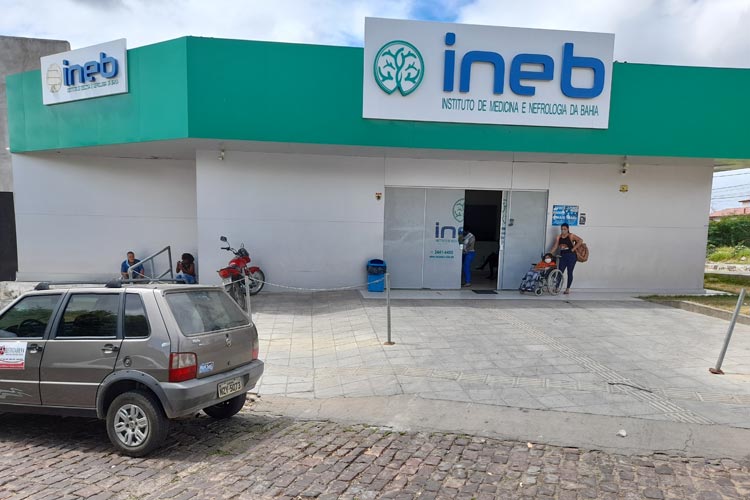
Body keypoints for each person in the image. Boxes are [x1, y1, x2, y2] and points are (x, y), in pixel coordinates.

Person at [549, 223, 583, 294]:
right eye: (562, 229)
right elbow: (555, 246)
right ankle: (557, 288)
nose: (563, 230)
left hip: (571, 256)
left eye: (564, 229)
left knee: (569, 272)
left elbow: (580, 240)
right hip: (562, 256)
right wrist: (549, 254)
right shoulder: (559, 237)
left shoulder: (571, 235)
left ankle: (567, 289)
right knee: (560, 272)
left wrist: (573, 249)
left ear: (568, 229)